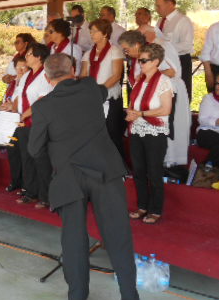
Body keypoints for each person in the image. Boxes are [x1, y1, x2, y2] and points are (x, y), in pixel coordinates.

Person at [28, 53, 147, 300]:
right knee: (118, 237)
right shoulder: (92, 89)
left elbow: (34, 150)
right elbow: (100, 87)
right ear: (73, 69)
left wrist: (56, 152)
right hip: (105, 171)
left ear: (46, 77)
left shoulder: (43, 106)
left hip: (69, 176)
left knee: (74, 238)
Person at [119, 29, 190, 167]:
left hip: (165, 92)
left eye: (127, 50)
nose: (126, 53)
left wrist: (148, 77)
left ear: (136, 45)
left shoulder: (153, 52)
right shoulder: (138, 57)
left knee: (168, 128)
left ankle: (167, 163)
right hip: (150, 94)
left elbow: (171, 71)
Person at [126, 43, 174, 225]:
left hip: (155, 131)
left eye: (144, 60)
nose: (140, 63)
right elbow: (134, 103)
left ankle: (155, 209)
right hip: (137, 128)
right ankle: (142, 206)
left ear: (156, 61)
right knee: (139, 171)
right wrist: (132, 113)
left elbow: (166, 109)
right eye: (139, 60)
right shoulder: (140, 80)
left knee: (154, 171)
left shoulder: (164, 81)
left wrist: (141, 114)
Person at [13, 43, 53, 208]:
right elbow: (20, 96)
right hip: (23, 123)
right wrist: (13, 108)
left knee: (41, 160)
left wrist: (25, 114)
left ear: (39, 57)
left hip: (38, 123)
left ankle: (46, 196)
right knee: (27, 158)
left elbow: (43, 100)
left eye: (29, 54)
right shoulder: (27, 74)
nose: (26, 56)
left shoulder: (45, 74)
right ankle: (30, 192)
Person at [80, 19, 125, 157]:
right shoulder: (88, 53)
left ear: (105, 33)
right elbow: (83, 75)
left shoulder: (115, 51)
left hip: (110, 97)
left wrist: (100, 91)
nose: (91, 34)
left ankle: (118, 165)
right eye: (90, 31)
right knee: (94, 133)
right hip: (92, 98)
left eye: (95, 31)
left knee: (112, 133)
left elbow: (116, 76)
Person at [155, 0, 195, 100]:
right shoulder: (160, 21)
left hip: (180, 61)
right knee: (166, 94)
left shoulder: (183, 20)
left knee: (180, 96)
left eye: (159, 6)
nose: (156, 9)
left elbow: (187, 45)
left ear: (169, 4)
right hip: (164, 62)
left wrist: (166, 48)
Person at [0, 56, 29, 193]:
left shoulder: (28, 83)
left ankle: (25, 184)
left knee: (24, 154)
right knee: (13, 153)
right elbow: (6, 100)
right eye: (18, 67)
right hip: (10, 122)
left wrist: (13, 106)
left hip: (23, 122)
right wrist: (4, 106)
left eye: (23, 67)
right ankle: (15, 181)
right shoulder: (13, 83)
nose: (20, 70)